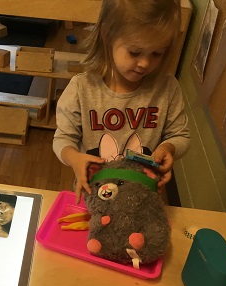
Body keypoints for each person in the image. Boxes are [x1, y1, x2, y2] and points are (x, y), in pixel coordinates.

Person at [53, 0, 190, 203]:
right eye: (134, 52)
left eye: (156, 53)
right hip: (94, 195)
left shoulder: (168, 88)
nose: (144, 63)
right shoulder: (82, 88)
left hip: (143, 197)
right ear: (108, 35)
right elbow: (62, 138)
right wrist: (74, 157)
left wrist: (168, 148)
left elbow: (180, 135)